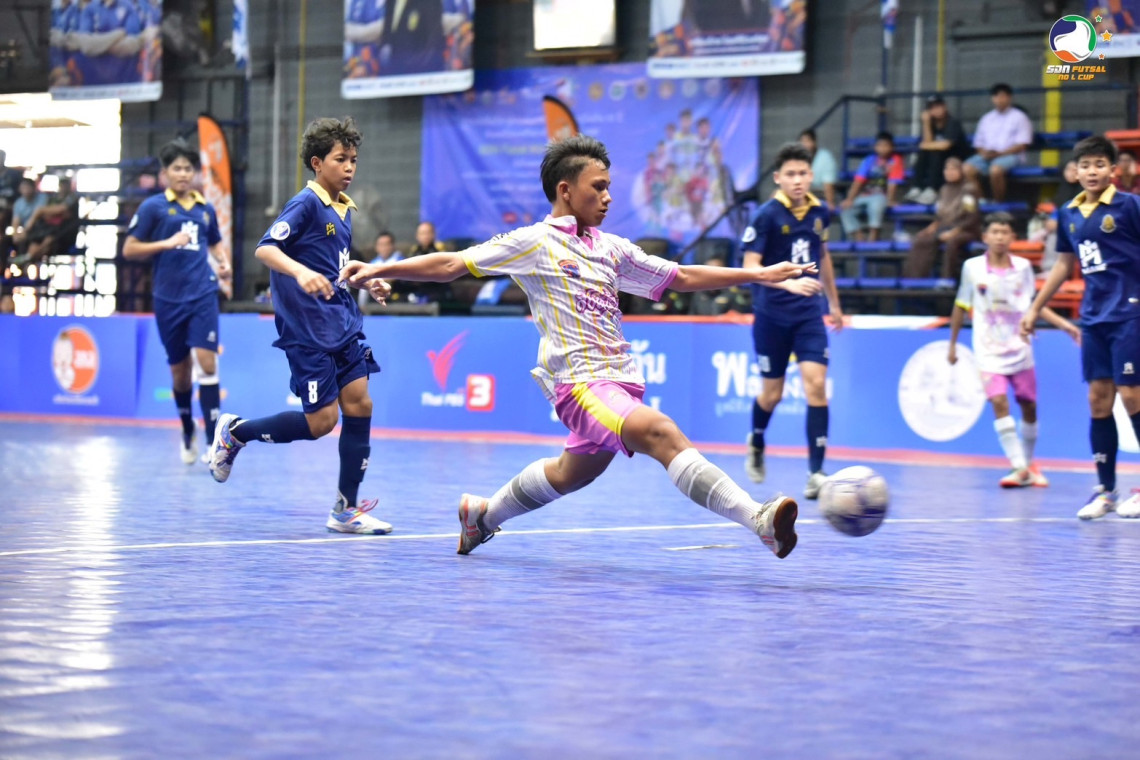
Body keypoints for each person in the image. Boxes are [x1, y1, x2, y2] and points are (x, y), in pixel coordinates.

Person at [341, 134, 815, 557]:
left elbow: (682, 276)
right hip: (581, 384)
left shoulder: (612, 248)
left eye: (609, 187)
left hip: (620, 382)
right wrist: (380, 268)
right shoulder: (534, 242)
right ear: (565, 190)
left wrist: (758, 274)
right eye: (599, 187)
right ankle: (757, 519)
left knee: (572, 473)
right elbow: (452, 265)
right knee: (662, 433)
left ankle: (482, 516)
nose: (608, 197)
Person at [206, 117, 392, 536]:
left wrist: (365, 280)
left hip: (342, 323)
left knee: (360, 404)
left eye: (353, 159)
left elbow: (333, 265)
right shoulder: (305, 203)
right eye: (340, 159)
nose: (349, 167)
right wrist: (300, 272)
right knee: (320, 423)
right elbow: (266, 249)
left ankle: (346, 509)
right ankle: (237, 433)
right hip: (307, 332)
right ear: (317, 163)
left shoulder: (343, 210)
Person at [1021, 135, 1140, 519]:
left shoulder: (1130, 206)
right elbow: (1062, 265)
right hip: (1093, 318)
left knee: (1132, 396)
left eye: (1099, 165)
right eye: (1085, 165)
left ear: (1113, 170)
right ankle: (1105, 491)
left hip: (1130, 314)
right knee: (1098, 400)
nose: (1092, 172)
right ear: (1075, 172)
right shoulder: (1068, 213)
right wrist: (1035, 307)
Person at [741, 142, 844, 499]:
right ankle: (756, 440)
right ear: (778, 178)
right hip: (771, 316)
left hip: (808, 316)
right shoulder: (766, 216)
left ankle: (816, 473)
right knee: (773, 395)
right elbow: (749, 267)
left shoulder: (820, 212)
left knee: (816, 386)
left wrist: (834, 303)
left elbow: (823, 256)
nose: (797, 180)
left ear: (811, 175)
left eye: (802, 173)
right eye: (790, 174)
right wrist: (788, 282)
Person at [948, 212, 1079, 488]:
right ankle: (1018, 466)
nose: (999, 237)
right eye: (994, 232)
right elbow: (961, 305)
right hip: (987, 349)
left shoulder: (1023, 268)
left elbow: (1034, 304)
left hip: (1020, 346)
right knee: (998, 401)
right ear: (985, 237)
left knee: (1028, 405)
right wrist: (952, 344)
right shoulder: (972, 268)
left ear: (1012, 237)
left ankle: (1028, 464)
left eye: (1004, 232)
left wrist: (1065, 325)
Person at [123, 140, 231, 465]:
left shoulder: (205, 208)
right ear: (165, 173)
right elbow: (129, 249)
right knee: (180, 374)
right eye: (177, 168)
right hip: (168, 299)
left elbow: (215, 244)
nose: (183, 174)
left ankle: (214, 442)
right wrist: (166, 243)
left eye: (188, 169)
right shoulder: (153, 208)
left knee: (207, 362)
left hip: (202, 293)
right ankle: (187, 428)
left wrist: (223, 263)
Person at [902, 157, 982, 279]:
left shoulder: (968, 190)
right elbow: (939, 216)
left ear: (960, 171)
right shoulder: (944, 189)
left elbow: (972, 217)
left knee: (952, 242)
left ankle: (947, 279)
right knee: (921, 239)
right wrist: (930, 228)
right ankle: (914, 278)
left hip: (966, 230)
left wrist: (954, 231)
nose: (949, 172)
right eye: (947, 169)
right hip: (945, 227)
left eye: (953, 169)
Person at [963, 83, 1034, 203]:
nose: (999, 100)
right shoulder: (986, 118)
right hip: (987, 156)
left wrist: (1000, 154)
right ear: (992, 99)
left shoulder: (1020, 117)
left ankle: (998, 203)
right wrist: (984, 153)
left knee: (995, 170)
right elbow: (978, 143)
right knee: (966, 168)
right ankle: (981, 202)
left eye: (1003, 96)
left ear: (1009, 98)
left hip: (1011, 156)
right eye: (996, 96)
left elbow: (1022, 144)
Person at [839, 130, 904, 242]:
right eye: (880, 145)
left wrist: (890, 200)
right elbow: (858, 181)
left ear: (892, 147)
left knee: (876, 204)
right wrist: (850, 199)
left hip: (882, 196)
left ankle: (873, 236)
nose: (883, 148)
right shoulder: (869, 160)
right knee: (845, 209)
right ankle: (859, 238)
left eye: (886, 145)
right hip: (865, 195)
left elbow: (892, 183)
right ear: (875, 147)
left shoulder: (895, 160)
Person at [908, 94, 970, 205]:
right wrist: (926, 123)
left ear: (944, 106)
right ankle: (916, 187)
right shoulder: (931, 124)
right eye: (932, 108)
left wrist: (927, 145)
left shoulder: (952, 122)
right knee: (924, 153)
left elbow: (945, 145)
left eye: (938, 106)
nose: (935, 110)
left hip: (957, 159)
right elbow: (926, 143)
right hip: (939, 161)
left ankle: (933, 189)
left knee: (935, 152)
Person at [14, 176, 80, 267]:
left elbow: (62, 211)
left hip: (64, 231)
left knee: (49, 240)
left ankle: (29, 258)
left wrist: (46, 211)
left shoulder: (72, 198)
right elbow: (48, 215)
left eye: (65, 185)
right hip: (47, 228)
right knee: (36, 241)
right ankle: (28, 259)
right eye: (62, 185)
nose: (63, 188)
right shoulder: (54, 198)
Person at [381, 0, 444, 76]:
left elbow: (434, 41)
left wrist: (415, 67)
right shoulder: (391, 2)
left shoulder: (429, 2)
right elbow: (387, 30)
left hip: (421, 71)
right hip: (393, 68)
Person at [357, 230, 402, 308]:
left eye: (386, 244)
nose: (384, 248)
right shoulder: (373, 262)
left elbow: (400, 274)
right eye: (381, 245)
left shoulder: (400, 259)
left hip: (397, 299)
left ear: (392, 246)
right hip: (375, 301)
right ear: (376, 247)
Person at [798, 128, 838, 208]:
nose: (804, 145)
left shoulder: (825, 158)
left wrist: (830, 204)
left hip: (820, 195)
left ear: (814, 142)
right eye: (802, 141)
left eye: (807, 141)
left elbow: (828, 185)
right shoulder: (797, 158)